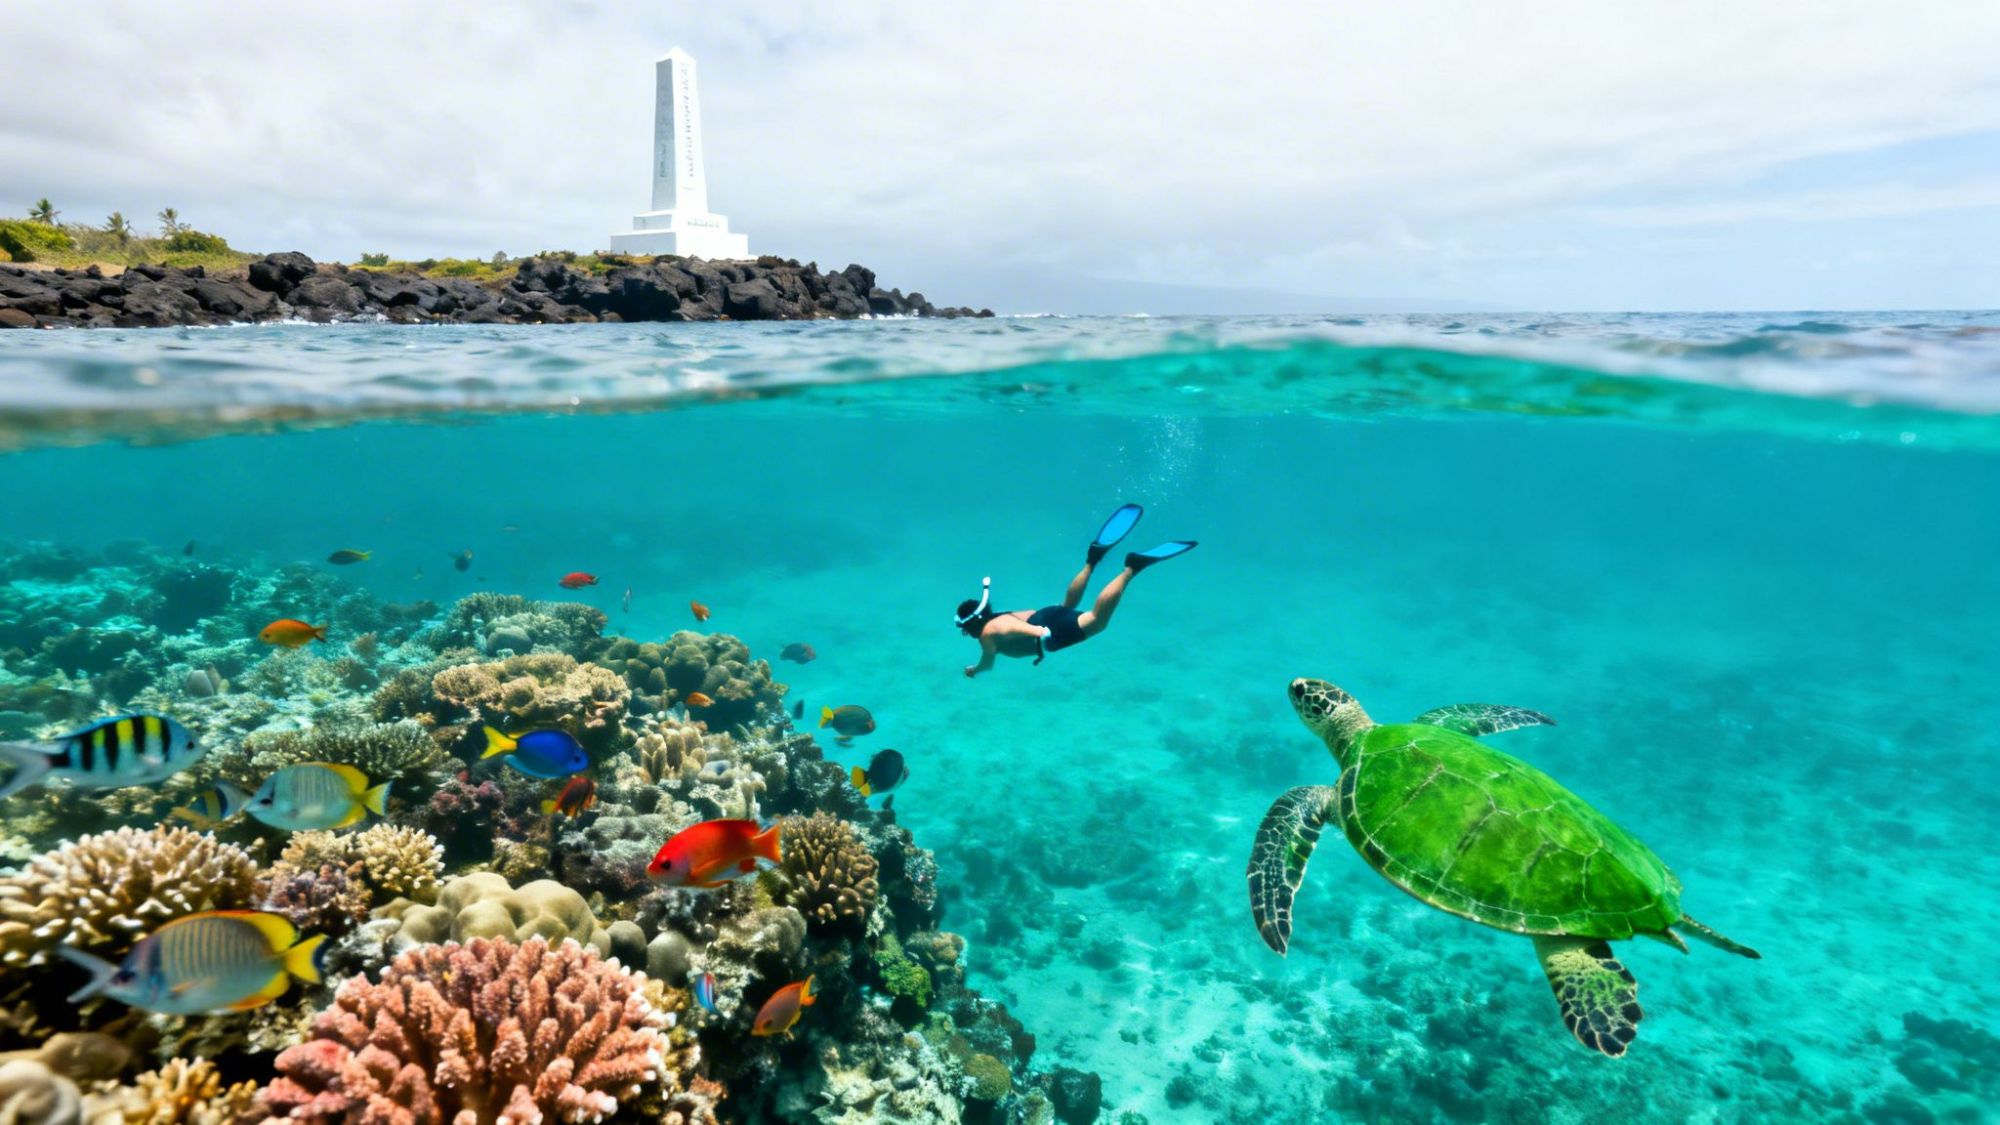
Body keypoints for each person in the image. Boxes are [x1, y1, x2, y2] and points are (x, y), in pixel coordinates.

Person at [957, 504, 1195, 678]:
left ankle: (1132, 568)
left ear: (969, 626)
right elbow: (1024, 614)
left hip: (1046, 631)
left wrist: (975, 669)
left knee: (1097, 621)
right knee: (1066, 607)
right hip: (1047, 615)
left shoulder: (989, 632)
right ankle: (1092, 560)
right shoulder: (998, 617)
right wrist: (1037, 625)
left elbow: (989, 661)